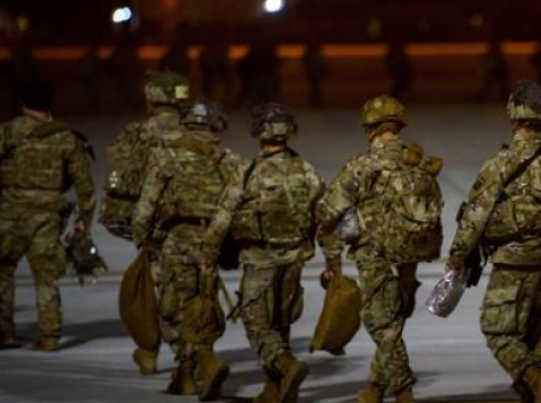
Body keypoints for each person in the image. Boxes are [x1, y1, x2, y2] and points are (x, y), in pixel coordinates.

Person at [445, 80, 541, 403]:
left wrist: (457, 259)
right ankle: (536, 387)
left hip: (512, 264)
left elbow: (474, 218)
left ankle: (532, 378)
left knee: (497, 331)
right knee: (537, 336)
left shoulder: (499, 165)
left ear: (514, 119)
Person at [316, 95, 444, 403]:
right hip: (409, 253)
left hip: (376, 254)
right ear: (399, 126)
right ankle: (375, 386)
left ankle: (403, 388)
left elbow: (327, 211)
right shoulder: (419, 162)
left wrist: (329, 237)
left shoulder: (362, 166)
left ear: (370, 129)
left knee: (378, 321)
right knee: (393, 319)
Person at [203, 103, 325, 403]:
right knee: (280, 325)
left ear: (259, 132)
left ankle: (287, 366)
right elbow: (326, 218)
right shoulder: (305, 170)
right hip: (294, 259)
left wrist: (208, 256)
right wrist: (332, 262)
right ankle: (275, 390)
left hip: (259, 260)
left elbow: (222, 218)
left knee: (257, 325)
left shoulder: (248, 171)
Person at [132, 98, 243, 400]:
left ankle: (198, 367)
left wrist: (142, 237)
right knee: (202, 306)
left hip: (178, 239)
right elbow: (239, 203)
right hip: (213, 242)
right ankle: (190, 372)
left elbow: (146, 205)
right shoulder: (229, 159)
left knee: (173, 309)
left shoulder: (166, 155)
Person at [101, 71, 190, 374]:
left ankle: (163, 354)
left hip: (149, 224)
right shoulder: (197, 132)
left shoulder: (137, 133)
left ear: (151, 100)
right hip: (191, 225)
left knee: (160, 287)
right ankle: (175, 353)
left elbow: (119, 180)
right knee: (184, 287)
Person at [0, 81, 96, 351]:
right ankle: (49, 336)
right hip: (47, 218)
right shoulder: (65, 137)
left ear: (23, 103)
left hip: (9, 215)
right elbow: (86, 187)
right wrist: (83, 224)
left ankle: (4, 332)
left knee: (3, 272)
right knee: (46, 278)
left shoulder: (7, 133)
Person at [477, 39, 510, 103]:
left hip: (497, 71)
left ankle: (481, 97)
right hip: (494, 71)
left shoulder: (496, 55)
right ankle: (481, 97)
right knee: (489, 85)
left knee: (501, 86)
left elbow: (503, 64)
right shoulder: (494, 54)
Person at [303, 39, 330, 109]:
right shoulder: (315, 54)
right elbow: (319, 63)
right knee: (316, 88)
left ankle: (315, 102)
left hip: (314, 73)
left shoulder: (312, 54)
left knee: (315, 88)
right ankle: (315, 102)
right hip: (314, 73)